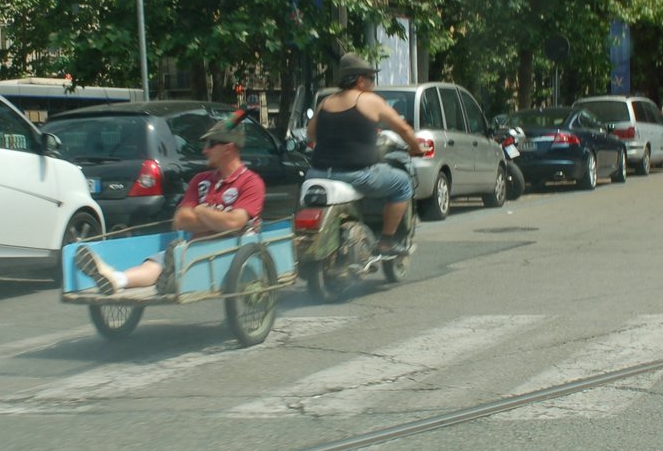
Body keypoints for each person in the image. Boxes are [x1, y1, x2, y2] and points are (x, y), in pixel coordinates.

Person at [73, 116, 265, 294]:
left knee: (176, 257)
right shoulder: (201, 180)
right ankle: (116, 278)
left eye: (210, 144)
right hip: (193, 248)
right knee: (158, 261)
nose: (204, 149)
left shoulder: (250, 182)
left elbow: (235, 223)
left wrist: (200, 210)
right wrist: (216, 220)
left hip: (227, 252)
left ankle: (174, 277)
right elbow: (180, 220)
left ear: (228, 148)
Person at [308, 53, 425, 255]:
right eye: (371, 78)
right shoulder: (370, 100)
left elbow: (311, 134)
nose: (373, 82)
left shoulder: (325, 102)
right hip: (357, 174)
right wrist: (416, 148)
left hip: (316, 173)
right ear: (360, 80)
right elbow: (404, 130)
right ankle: (386, 241)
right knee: (403, 184)